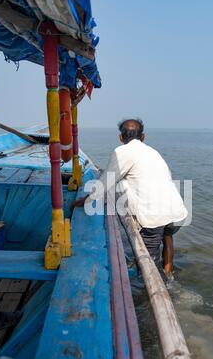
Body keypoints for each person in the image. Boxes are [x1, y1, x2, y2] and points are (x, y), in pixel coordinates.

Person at [71, 119, 188, 279]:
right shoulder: (153, 152)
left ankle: (156, 291)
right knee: (167, 237)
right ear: (143, 137)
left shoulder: (122, 152)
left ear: (121, 138)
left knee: (148, 264)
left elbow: (105, 182)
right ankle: (168, 275)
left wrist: (85, 201)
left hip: (154, 217)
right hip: (176, 211)